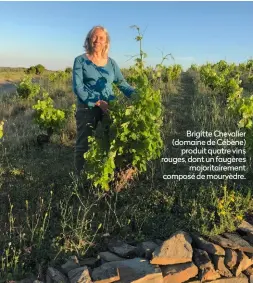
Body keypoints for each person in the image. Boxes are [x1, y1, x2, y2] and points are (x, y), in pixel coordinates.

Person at [72, 25, 136, 175]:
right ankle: (80, 178)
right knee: (84, 143)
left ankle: (107, 174)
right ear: (89, 39)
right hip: (87, 108)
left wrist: (138, 96)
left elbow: (122, 83)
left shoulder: (111, 63)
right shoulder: (80, 61)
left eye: (101, 38)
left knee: (110, 141)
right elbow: (78, 87)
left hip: (110, 107)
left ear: (106, 42)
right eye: (95, 36)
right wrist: (99, 103)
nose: (97, 40)